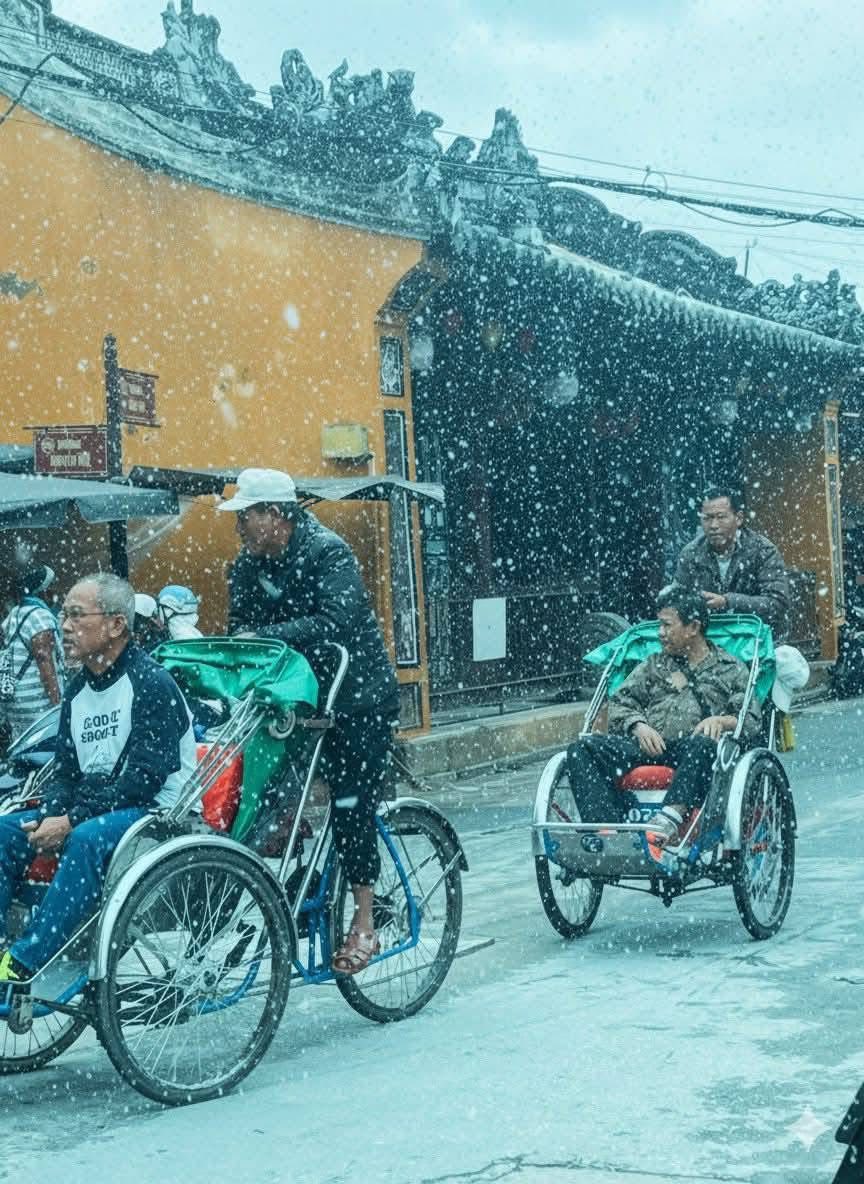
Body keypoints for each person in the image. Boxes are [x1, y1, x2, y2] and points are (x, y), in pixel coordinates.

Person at [217, 467, 398, 975]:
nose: (240, 527)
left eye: (246, 517)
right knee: (260, 800)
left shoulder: (327, 551)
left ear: (276, 515)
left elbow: (336, 621)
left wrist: (268, 635)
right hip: (292, 702)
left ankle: (364, 919)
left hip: (356, 699)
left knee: (350, 804)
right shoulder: (246, 566)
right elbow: (239, 628)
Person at [0, 573, 197, 985]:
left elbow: (143, 781)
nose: (64, 627)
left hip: (153, 813)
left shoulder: (151, 683)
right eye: (63, 615)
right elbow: (66, 770)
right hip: (96, 807)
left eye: (76, 615)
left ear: (116, 624)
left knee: (86, 838)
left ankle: (24, 960)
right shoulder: (77, 690)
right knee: (5, 832)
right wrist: (52, 813)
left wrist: (71, 821)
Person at [566, 585, 761, 860]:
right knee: (581, 749)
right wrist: (638, 725)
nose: (660, 633)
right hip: (648, 745)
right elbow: (622, 701)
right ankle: (605, 830)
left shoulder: (730, 668)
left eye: (667, 625)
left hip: (693, 752)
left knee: (705, 744)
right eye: (659, 625)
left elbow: (748, 718)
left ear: (693, 627)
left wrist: (721, 720)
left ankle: (667, 821)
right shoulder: (653, 664)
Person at [675, 486, 791, 641]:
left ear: (739, 518)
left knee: (788, 655)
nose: (713, 525)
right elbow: (676, 602)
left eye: (721, 517)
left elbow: (777, 604)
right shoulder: (691, 553)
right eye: (707, 518)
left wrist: (728, 601)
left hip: (757, 639)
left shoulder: (763, 551)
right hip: (709, 639)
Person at [0, 565, 64, 742]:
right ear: (43, 591)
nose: (54, 592)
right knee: (47, 749)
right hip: (38, 706)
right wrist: (58, 706)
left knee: (25, 749)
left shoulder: (15, 613)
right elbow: (44, 658)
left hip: (14, 703)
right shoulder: (40, 615)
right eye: (51, 586)